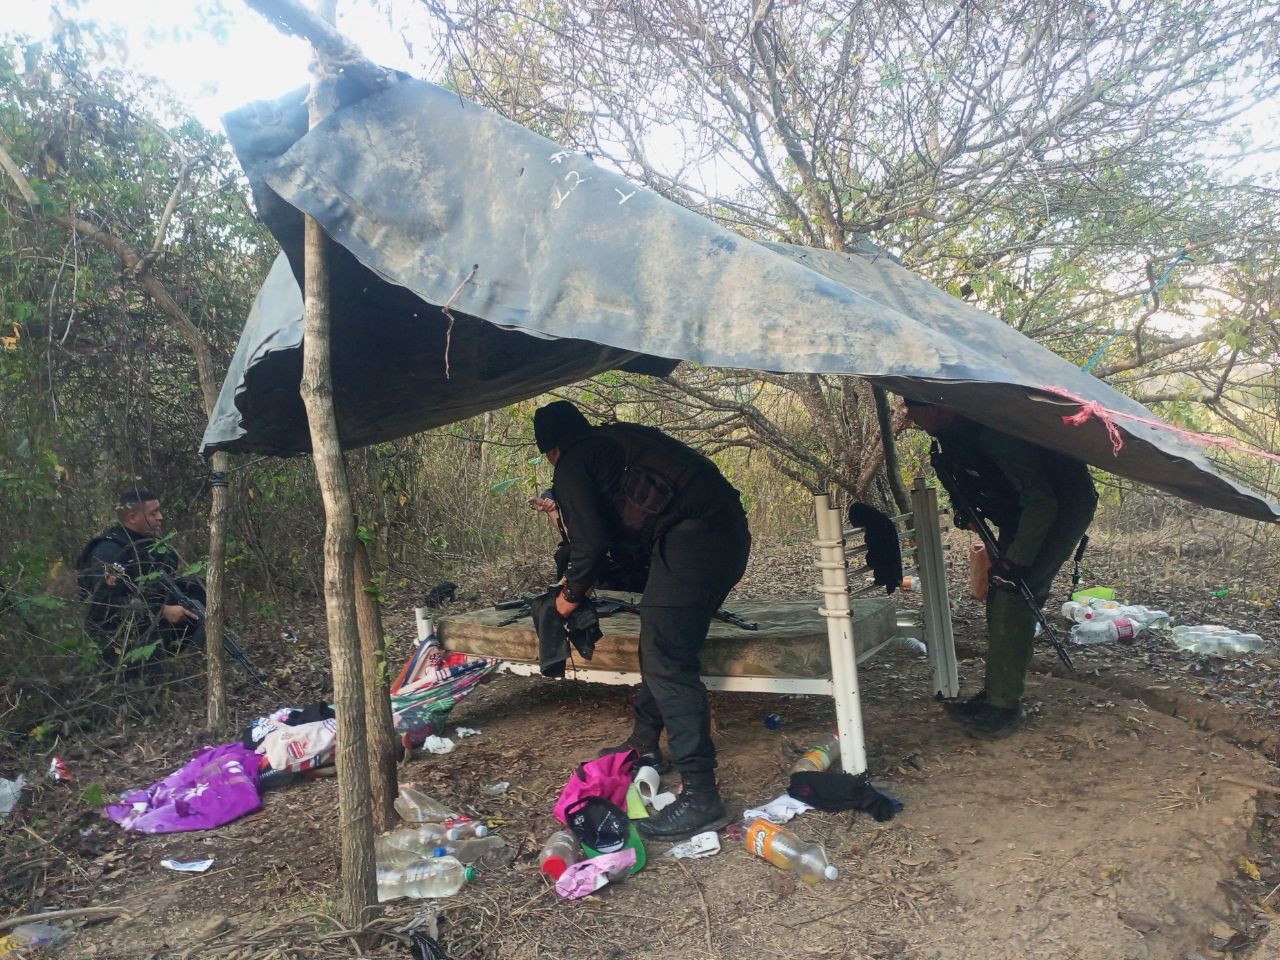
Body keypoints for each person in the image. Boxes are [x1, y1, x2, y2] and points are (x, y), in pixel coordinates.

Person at [533, 400, 751, 840]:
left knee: (668, 660)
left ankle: (702, 797)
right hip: (725, 534)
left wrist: (569, 597)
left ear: (551, 449)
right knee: (661, 644)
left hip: (694, 541)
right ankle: (643, 744)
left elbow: (590, 544)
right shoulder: (614, 439)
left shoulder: (573, 462)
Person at [902, 398, 1097, 740]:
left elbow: (1043, 501)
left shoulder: (995, 435)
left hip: (1059, 509)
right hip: (1018, 512)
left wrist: (1017, 560)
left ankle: (1005, 708)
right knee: (999, 592)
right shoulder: (951, 435)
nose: (910, 417)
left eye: (914, 408)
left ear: (936, 408)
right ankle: (995, 694)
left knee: (1014, 594)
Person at [77, 487, 203, 673]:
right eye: (153, 513)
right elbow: (105, 604)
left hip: (148, 621)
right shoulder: (109, 551)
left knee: (197, 593)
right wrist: (162, 611)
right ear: (132, 517)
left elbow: (158, 585)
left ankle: (183, 665)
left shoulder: (148, 545)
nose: (160, 517)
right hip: (118, 634)